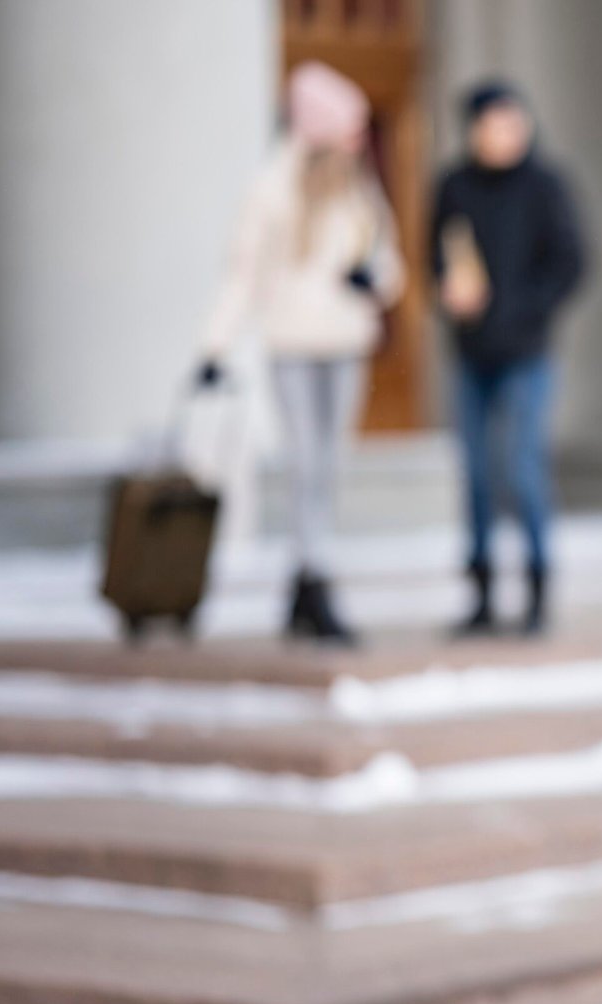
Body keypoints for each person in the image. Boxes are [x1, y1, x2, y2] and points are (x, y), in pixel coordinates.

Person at [199, 61, 404, 645]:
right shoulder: (270, 188)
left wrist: (375, 281)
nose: (356, 143)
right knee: (306, 464)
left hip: (345, 342)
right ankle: (315, 583)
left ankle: (305, 583)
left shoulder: (356, 188)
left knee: (330, 465)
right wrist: (214, 346)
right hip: (292, 343)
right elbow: (241, 274)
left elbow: (389, 260)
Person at [430, 80, 585, 636]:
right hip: (471, 353)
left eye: (513, 123)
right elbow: (435, 257)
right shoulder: (453, 186)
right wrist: (448, 290)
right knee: (475, 473)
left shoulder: (545, 186)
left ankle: (539, 586)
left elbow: (571, 263)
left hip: (527, 351)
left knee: (521, 468)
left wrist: (517, 308)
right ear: (473, 129)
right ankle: (481, 593)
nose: (505, 135)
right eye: (495, 125)